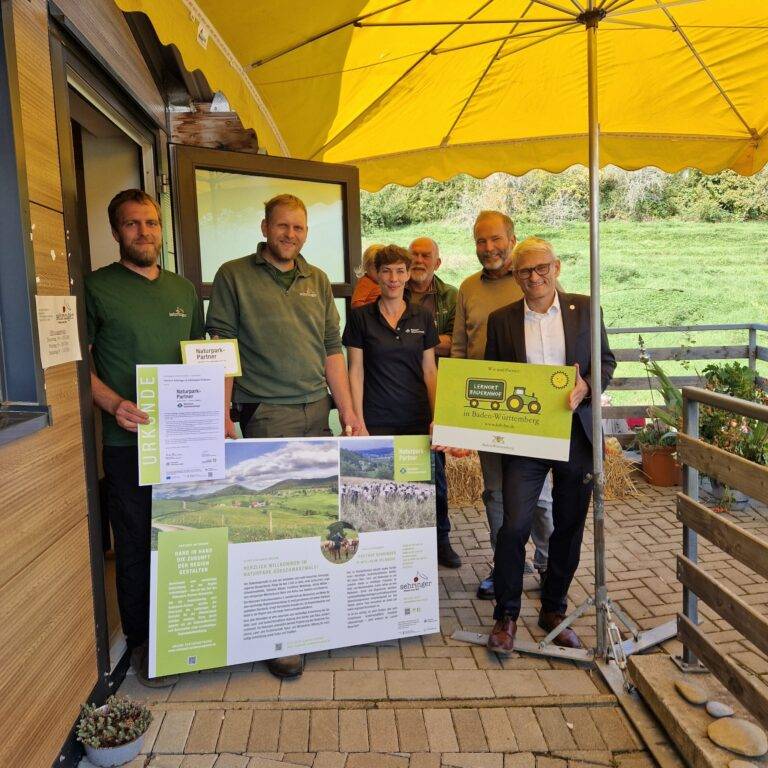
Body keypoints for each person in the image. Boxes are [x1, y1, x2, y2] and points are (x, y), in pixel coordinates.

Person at [206, 193, 363, 679]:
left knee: (315, 520)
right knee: (275, 524)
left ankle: (312, 614)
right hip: (266, 416)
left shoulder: (315, 279)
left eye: (298, 228)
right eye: (282, 226)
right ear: (265, 226)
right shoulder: (233, 275)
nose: (290, 235)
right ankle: (280, 636)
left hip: (316, 412)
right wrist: (220, 416)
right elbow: (221, 348)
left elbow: (331, 351)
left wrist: (349, 414)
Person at [86, 189, 204, 687]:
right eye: (132, 224)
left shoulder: (182, 291)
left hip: (184, 443)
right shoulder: (95, 289)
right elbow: (78, 364)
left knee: (186, 539)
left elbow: (202, 359)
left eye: (151, 223)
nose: (144, 232)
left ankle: (191, 633)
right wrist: (113, 403)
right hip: (127, 443)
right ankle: (142, 643)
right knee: (134, 545)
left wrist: (214, 416)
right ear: (116, 232)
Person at [484, 237, 616, 652]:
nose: (534, 277)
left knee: (569, 526)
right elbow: (493, 377)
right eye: (525, 271)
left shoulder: (585, 308)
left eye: (542, 268)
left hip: (575, 434)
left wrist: (588, 386)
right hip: (525, 438)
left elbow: (606, 362)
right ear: (514, 275)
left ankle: (554, 608)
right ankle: (506, 615)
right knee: (513, 527)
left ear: (556, 267)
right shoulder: (501, 319)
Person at [451, 211, 554, 599]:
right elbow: (460, 350)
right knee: (495, 495)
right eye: (481, 241)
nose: (488, 248)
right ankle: (505, 565)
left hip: (528, 410)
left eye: (495, 239)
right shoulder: (468, 288)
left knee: (540, 498)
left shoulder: (533, 281)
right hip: (486, 408)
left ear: (511, 239)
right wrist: (456, 415)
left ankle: (546, 562)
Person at [343, 244, 440, 518]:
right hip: (377, 419)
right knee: (381, 488)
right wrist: (358, 420)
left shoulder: (422, 316)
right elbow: (356, 370)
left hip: (416, 419)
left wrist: (438, 417)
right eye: (386, 271)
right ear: (376, 274)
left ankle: (440, 542)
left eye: (400, 271)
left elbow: (430, 370)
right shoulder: (361, 318)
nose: (394, 279)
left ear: (409, 274)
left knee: (423, 491)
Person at [407, 236, 461, 567]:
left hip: (435, 389)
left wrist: (414, 339)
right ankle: (407, 537)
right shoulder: (392, 287)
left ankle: (441, 537)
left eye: (426, 255)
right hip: (396, 391)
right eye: (413, 253)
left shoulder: (450, 296)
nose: (419, 259)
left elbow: (456, 341)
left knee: (436, 470)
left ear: (436, 263)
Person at [351, 243, 384, 308]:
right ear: (366, 267)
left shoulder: (383, 283)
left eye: (384, 269)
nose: (379, 273)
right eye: (375, 269)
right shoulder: (366, 282)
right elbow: (356, 303)